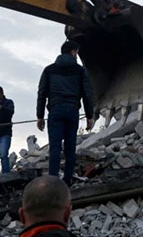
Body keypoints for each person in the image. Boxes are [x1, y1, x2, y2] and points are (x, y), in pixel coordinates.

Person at [37, 40, 95, 185]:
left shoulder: (49, 70)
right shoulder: (80, 71)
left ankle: (53, 181)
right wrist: (89, 116)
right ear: (73, 52)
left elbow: (42, 93)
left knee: (55, 147)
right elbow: (87, 94)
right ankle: (67, 180)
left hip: (55, 110)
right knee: (70, 148)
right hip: (72, 110)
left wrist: (40, 116)